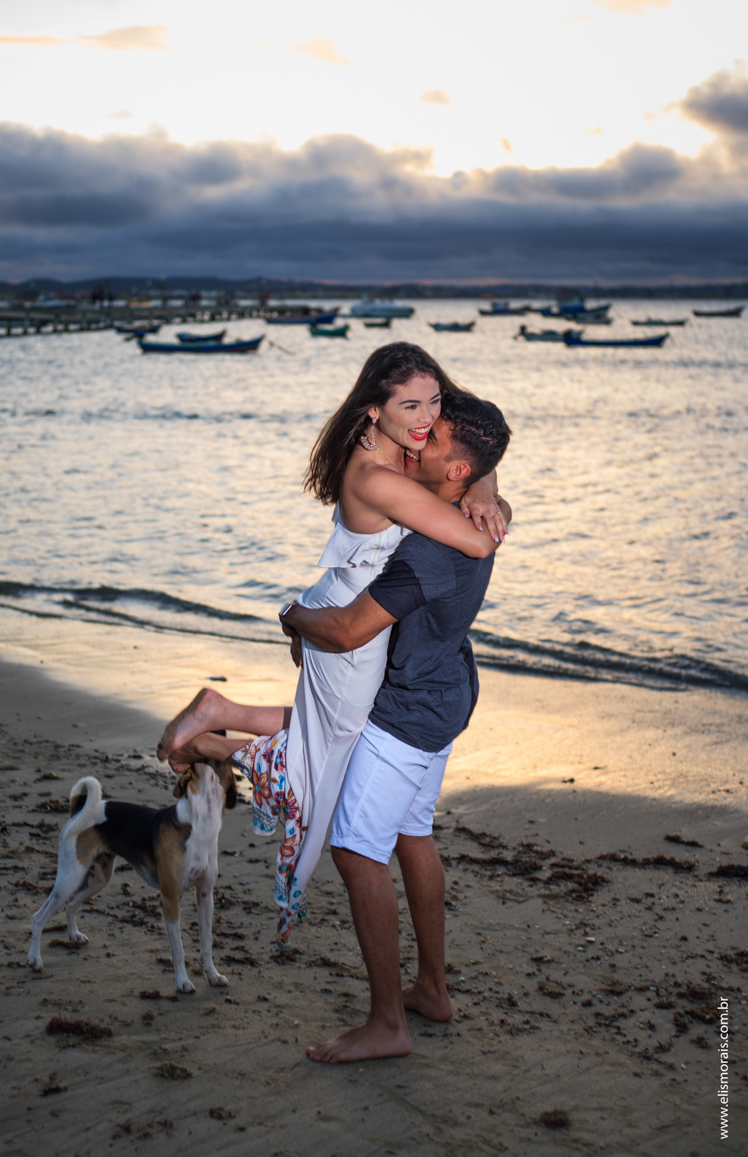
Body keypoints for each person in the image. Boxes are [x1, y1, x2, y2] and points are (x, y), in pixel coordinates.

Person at [163, 392, 511, 1063]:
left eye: (431, 437)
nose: (418, 438)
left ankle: (387, 1024)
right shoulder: (470, 508)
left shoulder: (431, 554)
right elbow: (485, 456)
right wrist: (492, 487)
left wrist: (292, 615)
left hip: (409, 710)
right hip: (447, 692)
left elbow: (350, 630)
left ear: (458, 472)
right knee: (411, 833)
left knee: (356, 850)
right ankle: (432, 990)